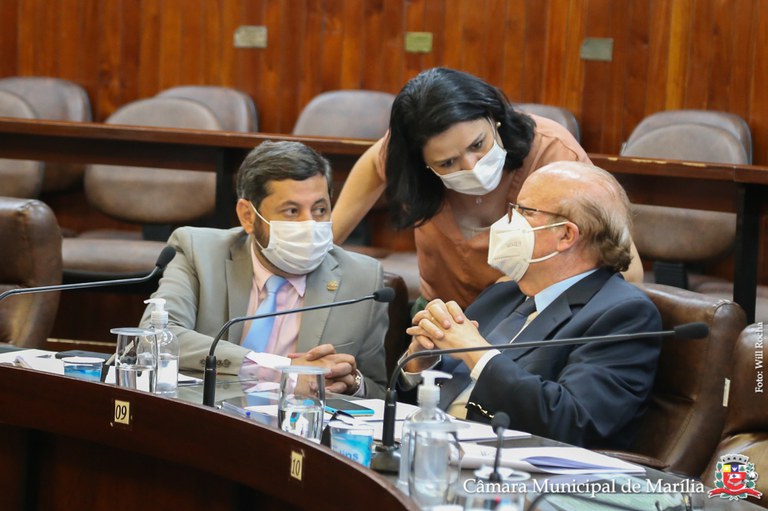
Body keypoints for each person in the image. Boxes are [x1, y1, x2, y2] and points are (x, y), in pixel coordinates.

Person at [332, 67, 643, 310]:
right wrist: (321, 248)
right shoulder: (407, 158)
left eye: (478, 145)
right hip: (441, 318)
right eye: (448, 163)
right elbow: (374, 162)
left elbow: (628, 270)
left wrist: (504, 297)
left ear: (494, 118)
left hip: (534, 321)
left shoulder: (554, 152)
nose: (472, 167)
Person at [402, 161, 661, 449]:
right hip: (427, 446)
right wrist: (420, 362)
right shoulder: (502, 294)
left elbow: (575, 421)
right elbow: (411, 405)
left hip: (511, 465)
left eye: (525, 212)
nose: (508, 221)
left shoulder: (624, 313)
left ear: (566, 235)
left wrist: (477, 352)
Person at [140, 141, 388, 398]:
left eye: (320, 210)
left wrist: (353, 383)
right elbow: (153, 337)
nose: (310, 224)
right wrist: (280, 370)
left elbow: (379, 391)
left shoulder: (364, 280)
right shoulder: (199, 251)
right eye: (292, 211)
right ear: (248, 216)